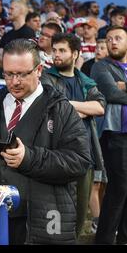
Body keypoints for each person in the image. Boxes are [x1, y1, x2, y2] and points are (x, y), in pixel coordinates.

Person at [0, 39, 91, 244]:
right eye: (8, 74)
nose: (14, 82)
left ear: (39, 69)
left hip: (42, 222)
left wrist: (28, 158)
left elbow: (79, 161)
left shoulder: (61, 109)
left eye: (22, 74)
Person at [40, 33, 105, 238]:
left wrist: (70, 105)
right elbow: (54, 107)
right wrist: (84, 109)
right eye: (54, 50)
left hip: (84, 153)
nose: (56, 55)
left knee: (79, 214)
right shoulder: (46, 77)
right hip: (56, 153)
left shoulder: (85, 80)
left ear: (75, 54)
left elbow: (100, 107)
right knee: (57, 212)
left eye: (62, 50)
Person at [91, 26, 127, 244]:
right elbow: (111, 93)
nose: (113, 42)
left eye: (118, 38)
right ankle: (104, 239)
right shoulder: (100, 66)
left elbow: (122, 93)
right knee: (119, 187)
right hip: (116, 134)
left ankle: (125, 238)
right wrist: (120, 90)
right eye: (109, 39)